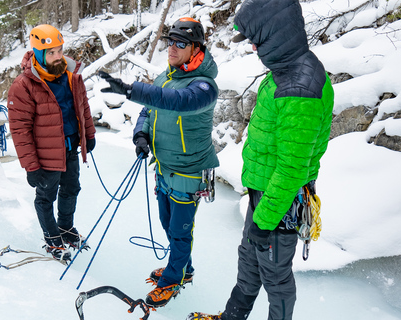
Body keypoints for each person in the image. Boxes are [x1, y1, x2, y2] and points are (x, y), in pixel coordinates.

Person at [187, 0, 334, 319]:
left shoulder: (300, 87)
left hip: (279, 203)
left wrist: (264, 222)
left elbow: (292, 169)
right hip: (263, 193)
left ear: (276, 34)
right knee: (250, 263)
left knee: (275, 277)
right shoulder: (287, 69)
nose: (253, 46)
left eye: (257, 39)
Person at [99, 17, 219, 308]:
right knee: (169, 225)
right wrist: (141, 133)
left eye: (181, 43)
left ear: (196, 49)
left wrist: (130, 89)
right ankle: (184, 269)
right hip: (163, 168)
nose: (172, 48)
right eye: (170, 42)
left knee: (179, 231)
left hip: (190, 172)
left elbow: (176, 101)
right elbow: (149, 110)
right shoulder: (164, 78)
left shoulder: (204, 86)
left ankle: (172, 280)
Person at [7, 24, 96, 263]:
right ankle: (52, 238)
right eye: (51, 53)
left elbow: (82, 107)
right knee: (46, 197)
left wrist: (89, 134)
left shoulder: (71, 76)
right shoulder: (23, 86)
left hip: (70, 148)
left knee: (71, 189)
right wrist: (31, 166)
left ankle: (66, 229)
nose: (58, 56)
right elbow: (20, 130)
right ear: (38, 53)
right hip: (44, 156)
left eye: (59, 50)